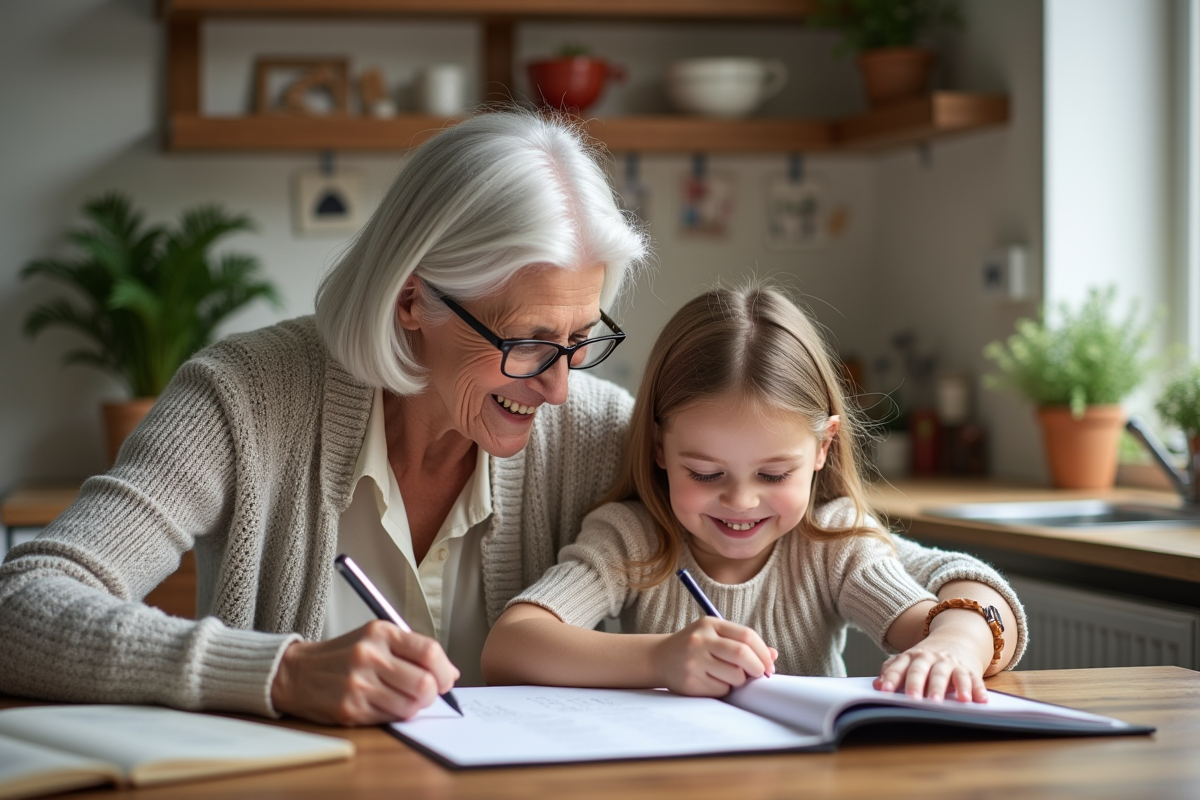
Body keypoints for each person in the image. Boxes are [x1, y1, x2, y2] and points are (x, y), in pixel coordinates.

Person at [1, 111, 1020, 727]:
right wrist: (278, 669)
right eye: (532, 341)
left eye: (584, 340)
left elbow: (890, 561)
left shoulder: (590, 426)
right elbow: (23, 604)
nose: (562, 388)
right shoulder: (245, 396)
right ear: (412, 299)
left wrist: (969, 624)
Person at [483, 283, 1025, 702]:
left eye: (772, 475)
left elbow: (971, 600)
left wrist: (953, 643)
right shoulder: (632, 540)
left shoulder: (831, 544)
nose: (741, 503)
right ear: (657, 447)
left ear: (822, 448)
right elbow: (511, 645)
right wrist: (660, 660)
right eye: (705, 473)